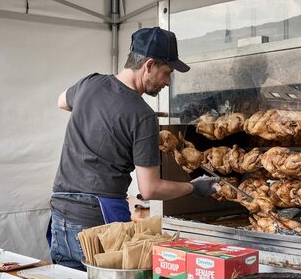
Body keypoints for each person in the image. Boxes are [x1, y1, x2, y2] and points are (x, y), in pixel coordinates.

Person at [49, 26, 219, 270]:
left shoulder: (90, 83)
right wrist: (192, 187)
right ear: (148, 65)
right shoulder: (142, 115)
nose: (168, 82)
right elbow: (150, 189)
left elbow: (62, 101)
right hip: (99, 225)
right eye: (166, 72)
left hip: (61, 215)